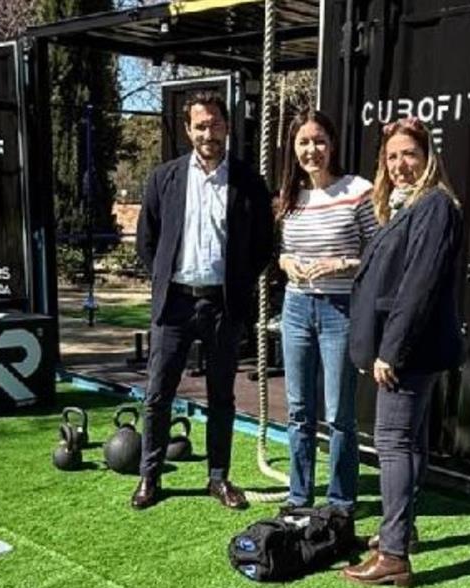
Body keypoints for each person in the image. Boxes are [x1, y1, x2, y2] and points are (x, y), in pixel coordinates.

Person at [132, 90, 274, 510]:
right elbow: (147, 241)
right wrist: (163, 280)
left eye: (214, 124)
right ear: (188, 130)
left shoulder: (249, 182)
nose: (207, 132)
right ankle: (149, 477)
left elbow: (264, 244)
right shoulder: (164, 178)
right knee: (158, 394)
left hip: (222, 307)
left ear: (226, 126)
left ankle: (219, 477)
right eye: (200, 125)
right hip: (173, 304)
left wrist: (240, 284)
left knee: (222, 397)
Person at [341, 117, 464, 588]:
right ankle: (401, 532)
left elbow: (419, 285)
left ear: (427, 155)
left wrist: (390, 351)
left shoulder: (434, 206)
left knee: (392, 444)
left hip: (408, 351)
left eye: (408, 154)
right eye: (391, 157)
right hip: (411, 348)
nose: (399, 165)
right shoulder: (409, 207)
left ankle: (393, 556)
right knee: (408, 443)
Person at [275, 110, 376, 514]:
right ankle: (299, 496)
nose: (311, 149)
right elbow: (281, 251)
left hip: (340, 309)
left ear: (332, 144)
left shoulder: (357, 190)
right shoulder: (290, 196)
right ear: (293, 148)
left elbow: (378, 250)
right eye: (303, 142)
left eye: (318, 140)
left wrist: (342, 264)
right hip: (296, 306)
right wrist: (286, 264)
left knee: (338, 414)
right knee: (299, 410)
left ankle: (340, 500)